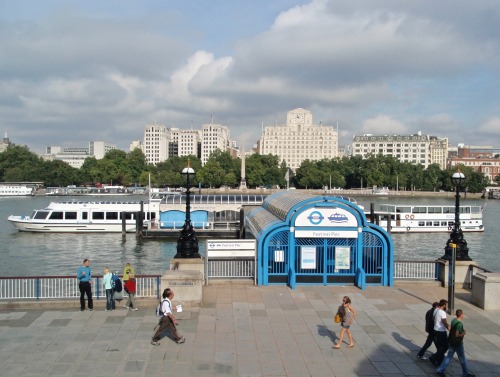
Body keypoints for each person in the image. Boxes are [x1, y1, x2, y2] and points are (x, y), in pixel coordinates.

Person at [436, 309, 475, 377]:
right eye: (463, 314)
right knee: (462, 359)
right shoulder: (459, 324)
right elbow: (457, 335)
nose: (463, 315)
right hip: (458, 344)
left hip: (451, 342)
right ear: (461, 315)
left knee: (448, 357)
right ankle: (465, 373)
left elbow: (452, 330)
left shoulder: (453, 320)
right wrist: (463, 333)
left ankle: (440, 370)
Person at [429, 299, 450, 367]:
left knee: (440, 346)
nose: (446, 306)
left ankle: (438, 361)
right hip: (441, 331)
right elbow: (444, 321)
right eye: (446, 305)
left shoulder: (436, 310)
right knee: (445, 346)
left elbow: (433, 319)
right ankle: (434, 357)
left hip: (435, 330)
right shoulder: (442, 312)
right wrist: (449, 328)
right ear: (444, 305)